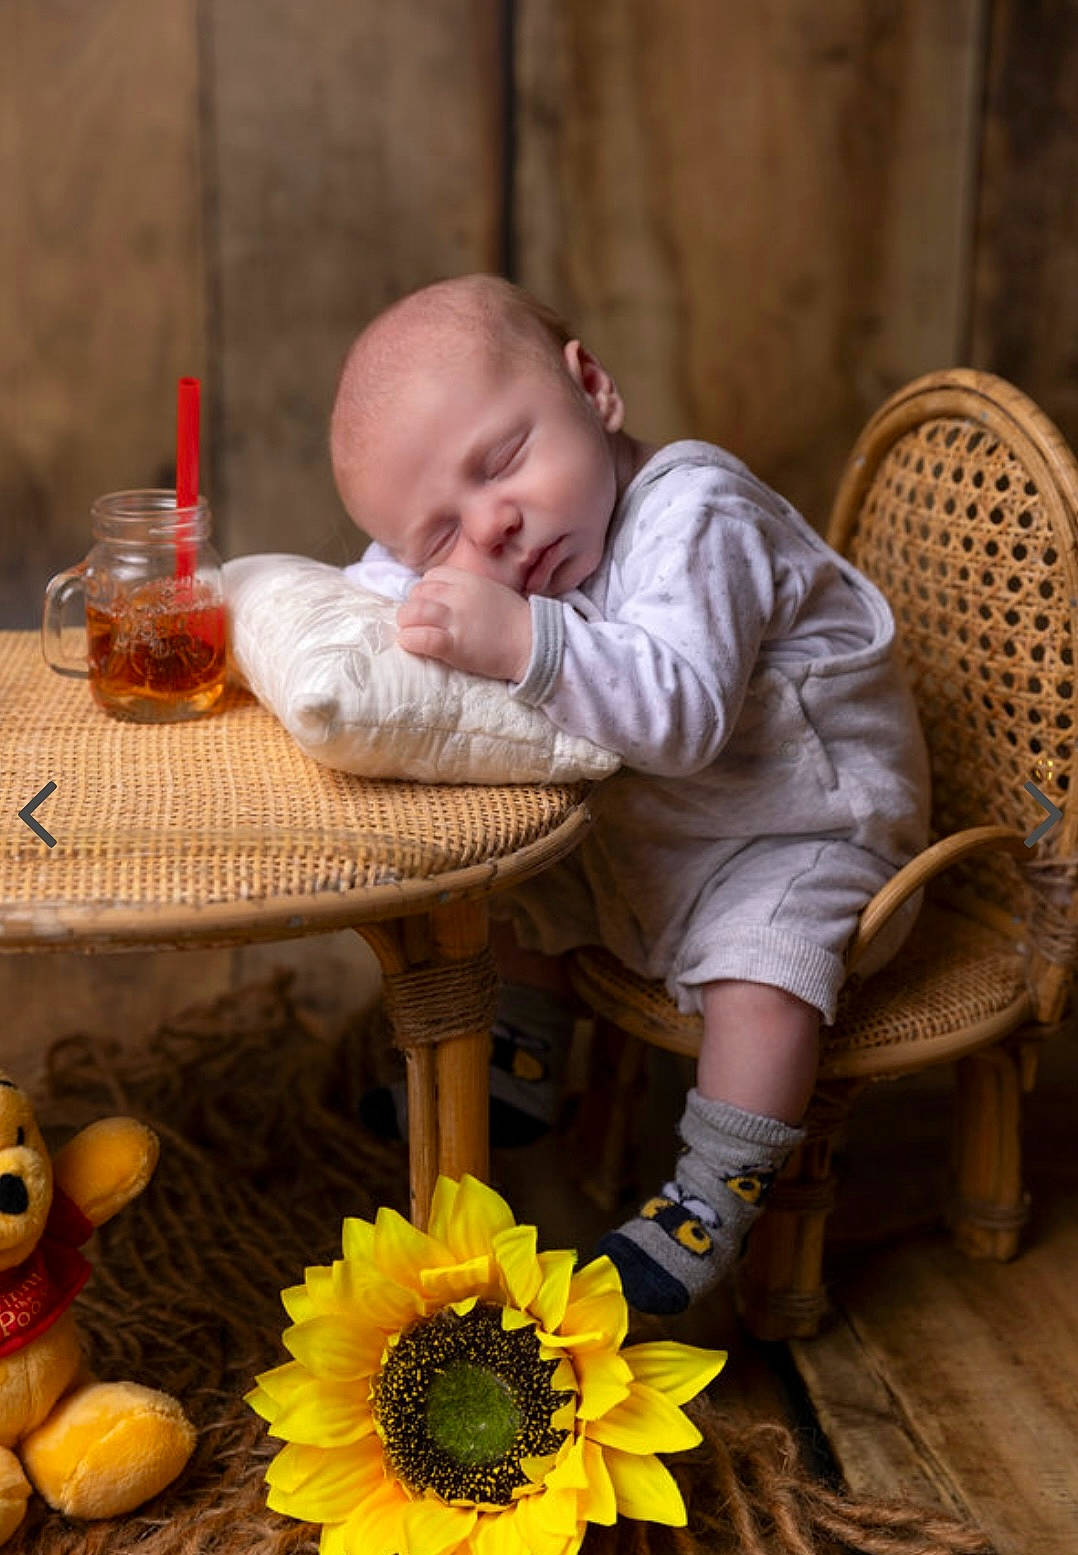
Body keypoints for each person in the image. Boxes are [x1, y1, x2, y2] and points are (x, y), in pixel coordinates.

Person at [329, 273, 931, 1316]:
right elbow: (387, 587)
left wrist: (514, 635)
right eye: (442, 532)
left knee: (765, 975)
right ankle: (518, 1049)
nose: (497, 528)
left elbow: (683, 715)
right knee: (521, 879)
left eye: (503, 460)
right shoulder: (531, 542)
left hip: (809, 829)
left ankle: (710, 1195)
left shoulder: (696, 512)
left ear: (593, 389)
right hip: (676, 826)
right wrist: (371, 593)